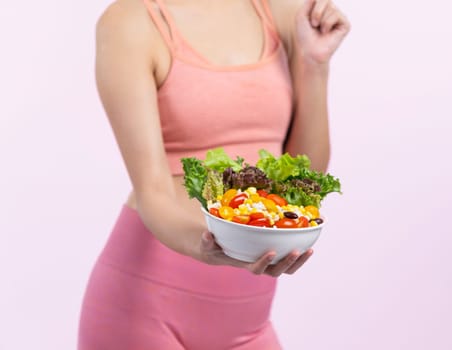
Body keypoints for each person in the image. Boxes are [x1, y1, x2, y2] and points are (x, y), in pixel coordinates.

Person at [78, 0, 350, 348]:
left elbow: (301, 181)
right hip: (145, 310)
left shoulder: (280, 11)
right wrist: (206, 248)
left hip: (248, 324)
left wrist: (315, 64)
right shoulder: (133, 21)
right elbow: (152, 193)